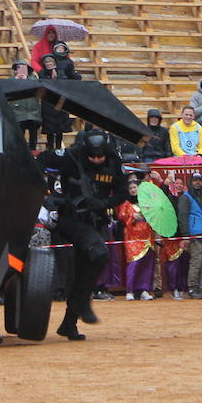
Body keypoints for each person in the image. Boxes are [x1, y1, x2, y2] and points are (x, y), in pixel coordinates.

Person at [39, 131, 128, 339]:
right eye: (92, 157)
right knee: (99, 253)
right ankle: (83, 303)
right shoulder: (71, 156)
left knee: (85, 267)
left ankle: (69, 323)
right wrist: (49, 194)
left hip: (95, 219)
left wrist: (104, 203)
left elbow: (124, 192)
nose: (96, 160)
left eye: (100, 156)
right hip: (70, 219)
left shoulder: (115, 161)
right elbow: (40, 161)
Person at [115, 180, 156, 301]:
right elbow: (121, 216)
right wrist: (133, 216)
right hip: (133, 238)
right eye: (131, 188)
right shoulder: (126, 203)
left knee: (147, 265)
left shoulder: (146, 202)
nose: (133, 190)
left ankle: (143, 290)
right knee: (134, 264)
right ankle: (130, 290)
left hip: (148, 237)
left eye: (135, 187)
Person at [177, 172, 202, 300]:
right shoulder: (185, 198)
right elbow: (182, 217)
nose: (198, 183)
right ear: (190, 182)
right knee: (196, 262)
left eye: (200, 180)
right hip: (194, 234)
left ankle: (197, 287)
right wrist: (186, 235)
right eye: (195, 181)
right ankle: (192, 287)